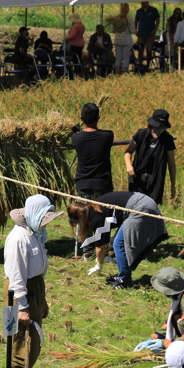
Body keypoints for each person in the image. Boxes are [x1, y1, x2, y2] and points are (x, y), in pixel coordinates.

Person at [3, 194, 62, 368]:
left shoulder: (35, 234)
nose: (48, 221)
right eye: (45, 217)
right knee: (19, 346)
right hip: (18, 294)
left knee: (32, 347)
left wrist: (42, 301)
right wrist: (22, 306)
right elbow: (15, 274)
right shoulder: (18, 238)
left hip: (34, 290)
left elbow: (38, 270)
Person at [83, 191, 168, 288]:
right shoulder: (95, 206)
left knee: (119, 244)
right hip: (144, 201)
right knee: (118, 241)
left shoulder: (96, 216)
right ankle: (124, 276)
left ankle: (125, 280)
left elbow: (100, 247)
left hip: (141, 207)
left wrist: (99, 265)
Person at [71, 103, 114, 260]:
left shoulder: (76, 137)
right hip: (102, 184)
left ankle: (87, 251)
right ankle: (101, 251)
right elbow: (100, 134)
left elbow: (80, 136)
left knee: (85, 217)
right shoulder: (108, 136)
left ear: (81, 118)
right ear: (99, 118)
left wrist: (77, 130)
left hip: (83, 182)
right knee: (103, 218)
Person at [124, 109, 177, 205]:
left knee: (150, 207)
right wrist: (129, 165)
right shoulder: (141, 134)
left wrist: (173, 185)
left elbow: (171, 164)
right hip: (137, 176)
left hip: (156, 179)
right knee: (134, 205)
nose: (159, 130)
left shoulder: (167, 140)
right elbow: (128, 152)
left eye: (162, 128)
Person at [134, 1, 160, 68]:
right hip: (141, 34)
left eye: (144, 2)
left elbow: (158, 20)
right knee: (140, 50)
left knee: (149, 50)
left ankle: (148, 65)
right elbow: (136, 21)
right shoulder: (139, 11)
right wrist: (135, 30)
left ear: (147, 2)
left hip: (150, 34)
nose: (142, 3)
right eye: (141, 2)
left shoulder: (153, 10)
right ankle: (140, 64)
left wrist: (154, 30)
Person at [110, 4, 135, 74]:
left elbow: (113, 30)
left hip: (117, 40)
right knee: (126, 58)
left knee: (118, 57)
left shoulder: (116, 18)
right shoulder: (129, 19)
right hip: (127, 40)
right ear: (128, 10)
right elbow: (132, 30)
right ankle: (125, 73)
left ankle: (117, 73)